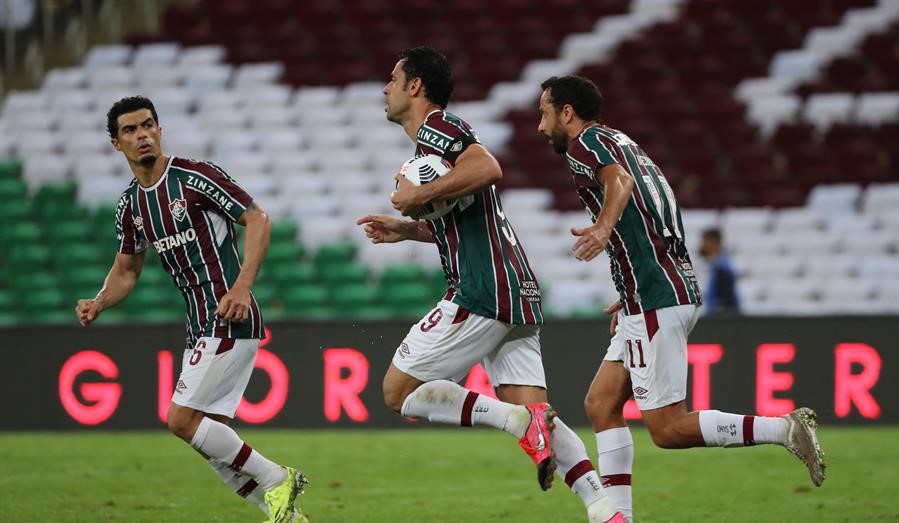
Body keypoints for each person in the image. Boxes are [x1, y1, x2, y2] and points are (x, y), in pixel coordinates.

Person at [536, 75, 826, 522]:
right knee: (601, 403)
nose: (541, 125)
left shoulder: (585, 146)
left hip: (655, 295)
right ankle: (620, 518)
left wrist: (603, 228)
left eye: (545, 112)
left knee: (668, 429)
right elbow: (657, 210)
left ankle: (783, 428)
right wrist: (630, 284)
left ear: (567, 112)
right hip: (654, 290)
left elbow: (620, 185)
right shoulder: (623, 141)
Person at [356, 47, 625, 523]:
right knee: (542, 412)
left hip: (482, 288)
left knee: (398, 392)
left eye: (392, 79)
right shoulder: (430, 149)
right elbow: (466, 217)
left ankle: (514, 422)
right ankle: (604, 510)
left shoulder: (440, 127)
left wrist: (419, 195)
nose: (385, 88)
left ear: (415, 86)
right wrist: (409, 230)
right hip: (514, 286)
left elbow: (487, 168)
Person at [74, 96, 308, 523]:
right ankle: (287, 518)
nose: (142, 134)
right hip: (199, 324)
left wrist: (242, 287)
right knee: (209, 440)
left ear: (160, 130)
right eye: (130, 130)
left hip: (229, 315)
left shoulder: (196, 177)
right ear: (116, 144)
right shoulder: (131, 206)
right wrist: (99, 301)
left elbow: (258, 219)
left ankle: (277, 480)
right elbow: (126, 269)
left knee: (181, 420)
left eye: (148, 125)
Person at [699, 227, 740, 315]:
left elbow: (728, 295)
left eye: (705, 241)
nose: (702, 244)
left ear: (713, 242)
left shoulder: (723, 267)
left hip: (721, 315)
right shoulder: (712, 264)